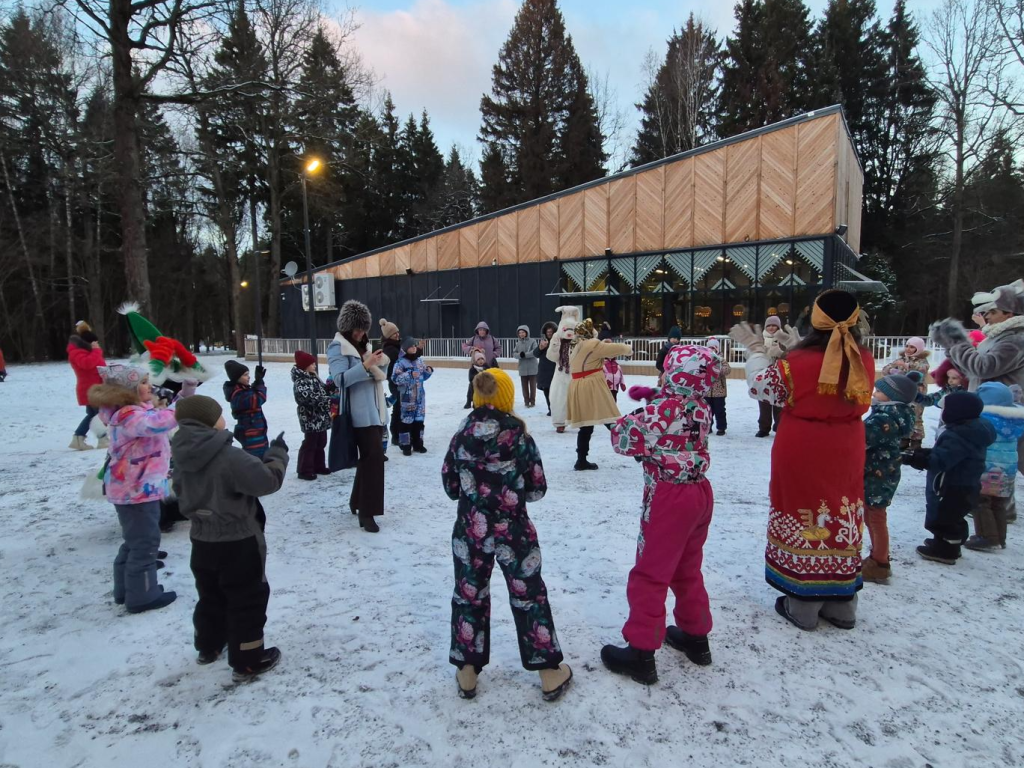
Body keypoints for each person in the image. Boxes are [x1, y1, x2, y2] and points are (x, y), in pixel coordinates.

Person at [730, 290, 874, 631]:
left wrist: (756, 351)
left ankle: (804, 604)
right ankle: (842, 604)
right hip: (847, 444)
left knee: (802, 508)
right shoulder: (863, 357)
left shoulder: (797, 363)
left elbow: (761, 387)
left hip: (804, 445)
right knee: (842, 509)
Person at [441, 368, 572, 702]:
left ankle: (467, 671)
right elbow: (537, 488)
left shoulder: (462, 433)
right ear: (505, 396)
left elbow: (451, 485)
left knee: (470, 593)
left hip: (471, 529)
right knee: (529, 594)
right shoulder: (518, 434)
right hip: (514, 529)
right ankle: (549, 672)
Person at [601, 346, 719, 685]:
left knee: (650, 573)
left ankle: (641, 652)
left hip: (669, 497)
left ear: (675, 374)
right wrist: (654, 398)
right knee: (687, 567)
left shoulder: (660, 411)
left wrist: (621, 414)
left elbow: (623, 438)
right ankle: (696, 637)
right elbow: (676, 414)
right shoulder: (702, 407)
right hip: (699, 494)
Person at [171, 394, 289, 682]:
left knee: (210, 594)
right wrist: (277, 455)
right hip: (238, 540)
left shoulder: (180, 453)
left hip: (202, 539)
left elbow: (179, 490)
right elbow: (266, 481)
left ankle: (208, 645)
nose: (223, 418)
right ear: (209, 421)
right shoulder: (228, 455)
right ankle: (248, 659)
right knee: (247, 597)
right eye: (219, 414)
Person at [89, 364, 181, 613]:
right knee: (145, 543)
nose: (150, 386)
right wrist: (182, 406)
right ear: (126, 390)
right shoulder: (129, 415)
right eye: (143, 382)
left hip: (134, 488)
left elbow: (156, 416)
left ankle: (126, 590)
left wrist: (183, 395)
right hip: (136, 490)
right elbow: (157, 423)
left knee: (134, 541)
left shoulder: (129, 411)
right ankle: (142, 596)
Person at [902, 392, 994, 564]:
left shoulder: (959, 435)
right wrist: (924, 452)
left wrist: (915, 459)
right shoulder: (971, 430)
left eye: (945, 409)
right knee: (955, 516)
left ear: (956, 412)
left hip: (950, 485)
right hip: (965, 484)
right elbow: (949, 454)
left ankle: (945, 550)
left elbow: (940, 461)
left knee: (943, 517)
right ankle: (948, 543)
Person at [327, 300, 388, 533]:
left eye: (363, 329)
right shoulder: (338, 347)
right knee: (374, 460)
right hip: (357, 415)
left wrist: (378, 364)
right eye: (357, 329)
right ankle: (367, 512)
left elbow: (375, 375)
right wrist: (366, 366)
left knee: (370, 459)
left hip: (375, 412)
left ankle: (357, 502)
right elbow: (339, 379)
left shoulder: (364, 347)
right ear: (347, 328)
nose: (361, 333)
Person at [861, 374, 918, 583]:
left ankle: (880, 562)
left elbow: (862, 438)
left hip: (877, 473)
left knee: (875, 517)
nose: (874, 394)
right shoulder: (895, 413)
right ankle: (878, 557)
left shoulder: (884, 418)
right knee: (873, 515)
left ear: (892, 396)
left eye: (879, 391)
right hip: (882, 471)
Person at [566, 319, 633, 470]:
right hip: (592, 384)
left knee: (586, 425)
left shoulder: (576, 345)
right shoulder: (592, 344)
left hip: (578, 384)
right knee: (609, 418)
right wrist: (629, 349)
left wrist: (603, 344)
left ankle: (581, 460)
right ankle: (636, 449)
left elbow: (594, 353)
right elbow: (617, 348)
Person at [965, 382, 1024, 551]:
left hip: (987, 467)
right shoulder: (1015, 420)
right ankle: (1000, 538)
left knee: (980, 501)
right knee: (998, 503)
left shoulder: (984, 419)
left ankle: (987, 538)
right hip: (1008, 470)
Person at [881, 337, 930, 450]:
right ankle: (905, 437)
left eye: (912, 347)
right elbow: (885, 370)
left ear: (918, 349)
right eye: (907, 346)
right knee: (903, 414)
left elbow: (921, 370)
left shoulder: (921, 361)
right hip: (902, 392)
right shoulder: (902, 359)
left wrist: (905, 366)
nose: (908, 349)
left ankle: (916, 439)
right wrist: (892, 368)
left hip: (917, 393)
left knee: (916, 415)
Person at [291, 350, 332, 481]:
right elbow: (306, 398)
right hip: (310, 418)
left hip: (320, 417)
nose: (315, 366)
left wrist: (329, 389)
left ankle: (318, 465)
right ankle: (304, 469)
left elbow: (323, 390)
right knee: (310, 443)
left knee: (321, 442)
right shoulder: (300, 381)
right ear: (305, 365)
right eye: (312, 364)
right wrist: (326, 400)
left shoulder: (313, 378)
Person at [68, 321, 107, 450]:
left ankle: (78, 438)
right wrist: (96, 351)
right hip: (90, 390)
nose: (97, 345)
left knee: (93, 415)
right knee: (100, 414)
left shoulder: (86, 352)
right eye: (94, 343)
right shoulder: (77, 352)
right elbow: (87, 364)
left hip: (95, 388)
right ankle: (102, 438)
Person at [391, 336, 433, 455]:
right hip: (407, 398)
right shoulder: (400, 362)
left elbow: (423, 376)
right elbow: (395, 378)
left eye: (415, 346)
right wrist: (409, 375)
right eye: (411, 346)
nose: (414, 348)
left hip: (420, 398)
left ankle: (418, 444)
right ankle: (406, 446)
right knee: (406, 422)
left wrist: (428, 371)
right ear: (405, 348)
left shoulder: (419, 361)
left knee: (419, 421)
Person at [223, 361, 268, 458]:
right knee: (255, 458)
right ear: (237, 377)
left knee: (262, 456)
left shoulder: (243, 389)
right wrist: (260, 382)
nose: (248, 377)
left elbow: (253, 393)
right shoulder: (238, 394)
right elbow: (259, 398)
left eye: (248, 374)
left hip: (255, 430)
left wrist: (257, 381)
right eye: (245, 375)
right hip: (250, 433)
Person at [547, 306, 580, 432]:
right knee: (558, 397)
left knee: (579, 397)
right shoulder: (557, 338)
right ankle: (560, 422)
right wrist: (554, 346)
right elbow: (552, 357)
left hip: (577, 372)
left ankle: (582, 422)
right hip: (561, 372)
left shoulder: (579, 340)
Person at [756, 317, 787, 437]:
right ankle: (764, 428)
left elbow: (790, 355)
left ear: (779, 327)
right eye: (769, 325)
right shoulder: (760, 339)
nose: (771, 328)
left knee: (779, 403)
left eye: (774, 325)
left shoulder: (784, 339)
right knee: (764, 402)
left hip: (779, 375)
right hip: (763, 374)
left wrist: (780, 353)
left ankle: (779, 426)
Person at [461, 321, 501, 408]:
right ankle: (469, 400)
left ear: (486, 331)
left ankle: (488, 401)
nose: (482, 331)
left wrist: (493, 354)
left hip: (488, 364)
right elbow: (464, 346)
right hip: (476, 366)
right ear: (477, 331)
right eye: (480, 330)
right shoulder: (473, 339)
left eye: (483, 330)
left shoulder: (492, 339)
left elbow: (498, 348)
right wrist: (472, 349)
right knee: (473, 384)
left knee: (489, 383)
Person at [378, 318, 403, 452]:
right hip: (395, 381)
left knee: (401, 406)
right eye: (394, 333)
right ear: (388, 336)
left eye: (397, 332)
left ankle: (400, 432)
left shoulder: (397, 345)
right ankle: (395, 434)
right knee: (398, 407)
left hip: (401, 380)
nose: (397, 335)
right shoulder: (389, 349)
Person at [705, 338, 731, 436]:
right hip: (707, 391)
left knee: (720, 410)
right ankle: (707, 427)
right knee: (707, 410)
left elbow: (727, 370)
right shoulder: (704, 359)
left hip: (719, 391)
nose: (712, 350)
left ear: (717, 349)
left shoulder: (721, 359)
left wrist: (717, 370)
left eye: (714, 348)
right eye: (710, 348)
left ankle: (721, 427)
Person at [535, 321, 557, 416]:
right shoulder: (543, 342)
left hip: (555, 370)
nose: (549, 333)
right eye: (548, 332)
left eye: (551, 331)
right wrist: (540, 347)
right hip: (544, 370)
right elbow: (535, 354)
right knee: (546, 391)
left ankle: (556, 409)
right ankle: (550, 408)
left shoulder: (557, 342)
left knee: (556, 391)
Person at [514, 325, 539, 408]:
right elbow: (514, 353)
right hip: (523, 368)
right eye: (520, 333)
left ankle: (532, 401)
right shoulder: (518, 343)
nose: (521, 334)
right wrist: (519, 355)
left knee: (533, 386)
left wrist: (525, 355)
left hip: (532, 367)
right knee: (524, 386)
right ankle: (526, 401)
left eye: (523, 332)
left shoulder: (533, 341)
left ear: (527, 332)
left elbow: (534, 352)